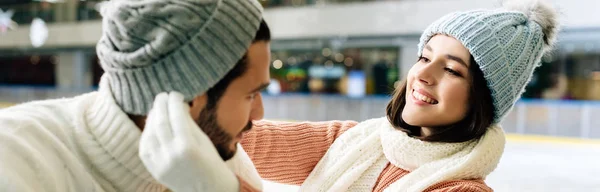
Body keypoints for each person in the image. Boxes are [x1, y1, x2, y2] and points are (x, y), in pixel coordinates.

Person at [241, 0, 558, 191]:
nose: (422, 74)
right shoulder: (354, 142)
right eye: (424, 57)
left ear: (484, 98)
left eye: (451, 70)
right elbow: (245, 139)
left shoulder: (459, 190)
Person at [0, 0, 271, 191]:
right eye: (251, 95)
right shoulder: (15, 163)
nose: (259, 114)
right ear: (188, 98)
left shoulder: (214, 155)